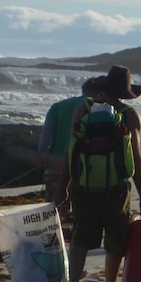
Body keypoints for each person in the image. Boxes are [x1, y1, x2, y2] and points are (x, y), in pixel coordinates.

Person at [60, 65, 141, 282]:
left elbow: (72, 151)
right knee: (115, 245)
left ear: (103, 89)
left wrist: (65, 187)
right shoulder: (129, 115)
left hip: (85, 187)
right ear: (125, 93)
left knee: (79, 242)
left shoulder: (84, 110)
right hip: (116, 190)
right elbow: (135, 158)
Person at [37, 77, 102, 206]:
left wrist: (44, 159)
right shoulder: (95, 107)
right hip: (80, 166)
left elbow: (44, 141)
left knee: (53, 208)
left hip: (54, 163)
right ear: (100, 92)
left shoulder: (57, 107)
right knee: (79, 211)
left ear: (83, 90)